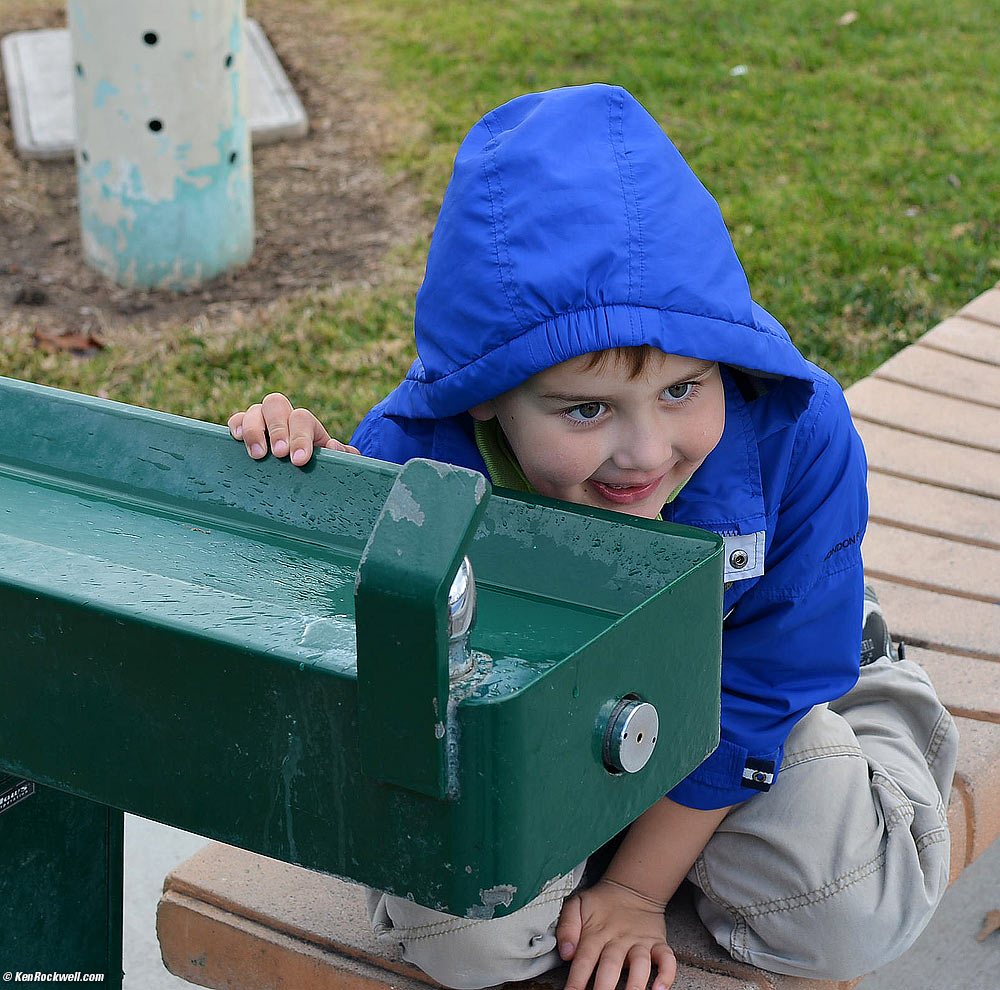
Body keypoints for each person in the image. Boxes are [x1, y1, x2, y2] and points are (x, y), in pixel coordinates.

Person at [228, 84, 957, 990]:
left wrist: (638, 891)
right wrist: (323, 493)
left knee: (850, 908)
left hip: (743, 683)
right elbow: (367, 656)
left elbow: (765, 682)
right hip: (550, 721)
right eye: (586, 409)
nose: (646, 451)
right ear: (487, 394)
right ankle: (619, 824)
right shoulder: (418, 463)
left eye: (682, 390)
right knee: (468, 941)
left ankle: (866, 682)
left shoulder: (797, 436)